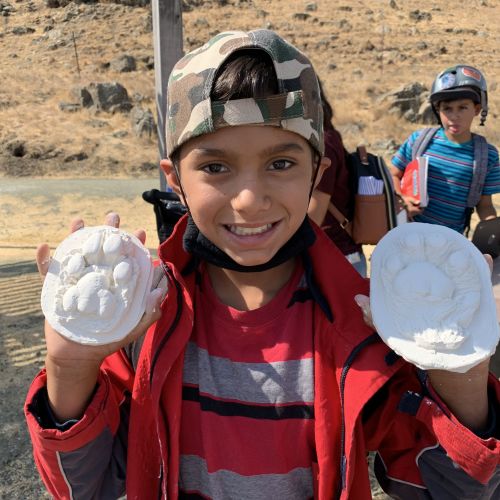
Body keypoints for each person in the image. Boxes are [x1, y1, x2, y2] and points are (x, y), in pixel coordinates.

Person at [25, 31, 499, 499]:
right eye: (215, 167)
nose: (249, 200)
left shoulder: (366, 323)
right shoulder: (141, 318)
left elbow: (444, 488)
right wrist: (72, 363)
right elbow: (89, 487)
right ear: (175, 181)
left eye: (280, 164)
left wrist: (462, 377)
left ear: (317, 173)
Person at [390, 64, 500, 233]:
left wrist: (493, 229)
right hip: (408, 233)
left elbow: (485, 206)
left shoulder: (488, 156)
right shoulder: (419, 140)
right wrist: (402, 200)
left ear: (477, 109)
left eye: (463, 107)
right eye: (447, 109)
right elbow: (393, 174)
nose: (454, 116)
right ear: (437, 110)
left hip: (450, 243)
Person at [307, 81, 367, 277]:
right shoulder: (327, 137)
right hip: (339, 255)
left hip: (336, 258)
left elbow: (313, 217)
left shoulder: (323, 145)